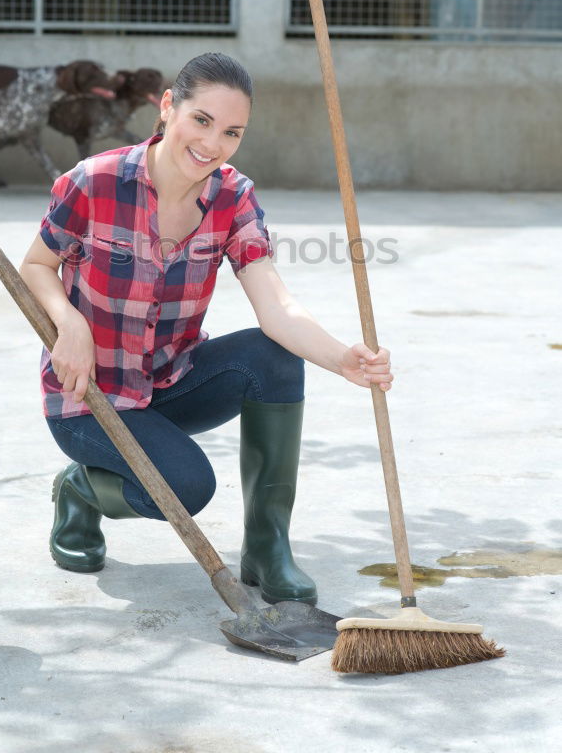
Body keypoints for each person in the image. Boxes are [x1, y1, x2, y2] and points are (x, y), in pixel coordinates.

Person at [20, 52, 393, 607]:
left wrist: (342, 358)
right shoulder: (95, 182)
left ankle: (267, 549)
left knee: (273, 356)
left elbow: (276, 305)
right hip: (90, 397)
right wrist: (68, 322)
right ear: (168, 107)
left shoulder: (232, 197)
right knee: (187, 488)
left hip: (173, 381)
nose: (213, 143)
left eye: (232, 131)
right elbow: (35, 267)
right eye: (202, 120)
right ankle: (81, 488)